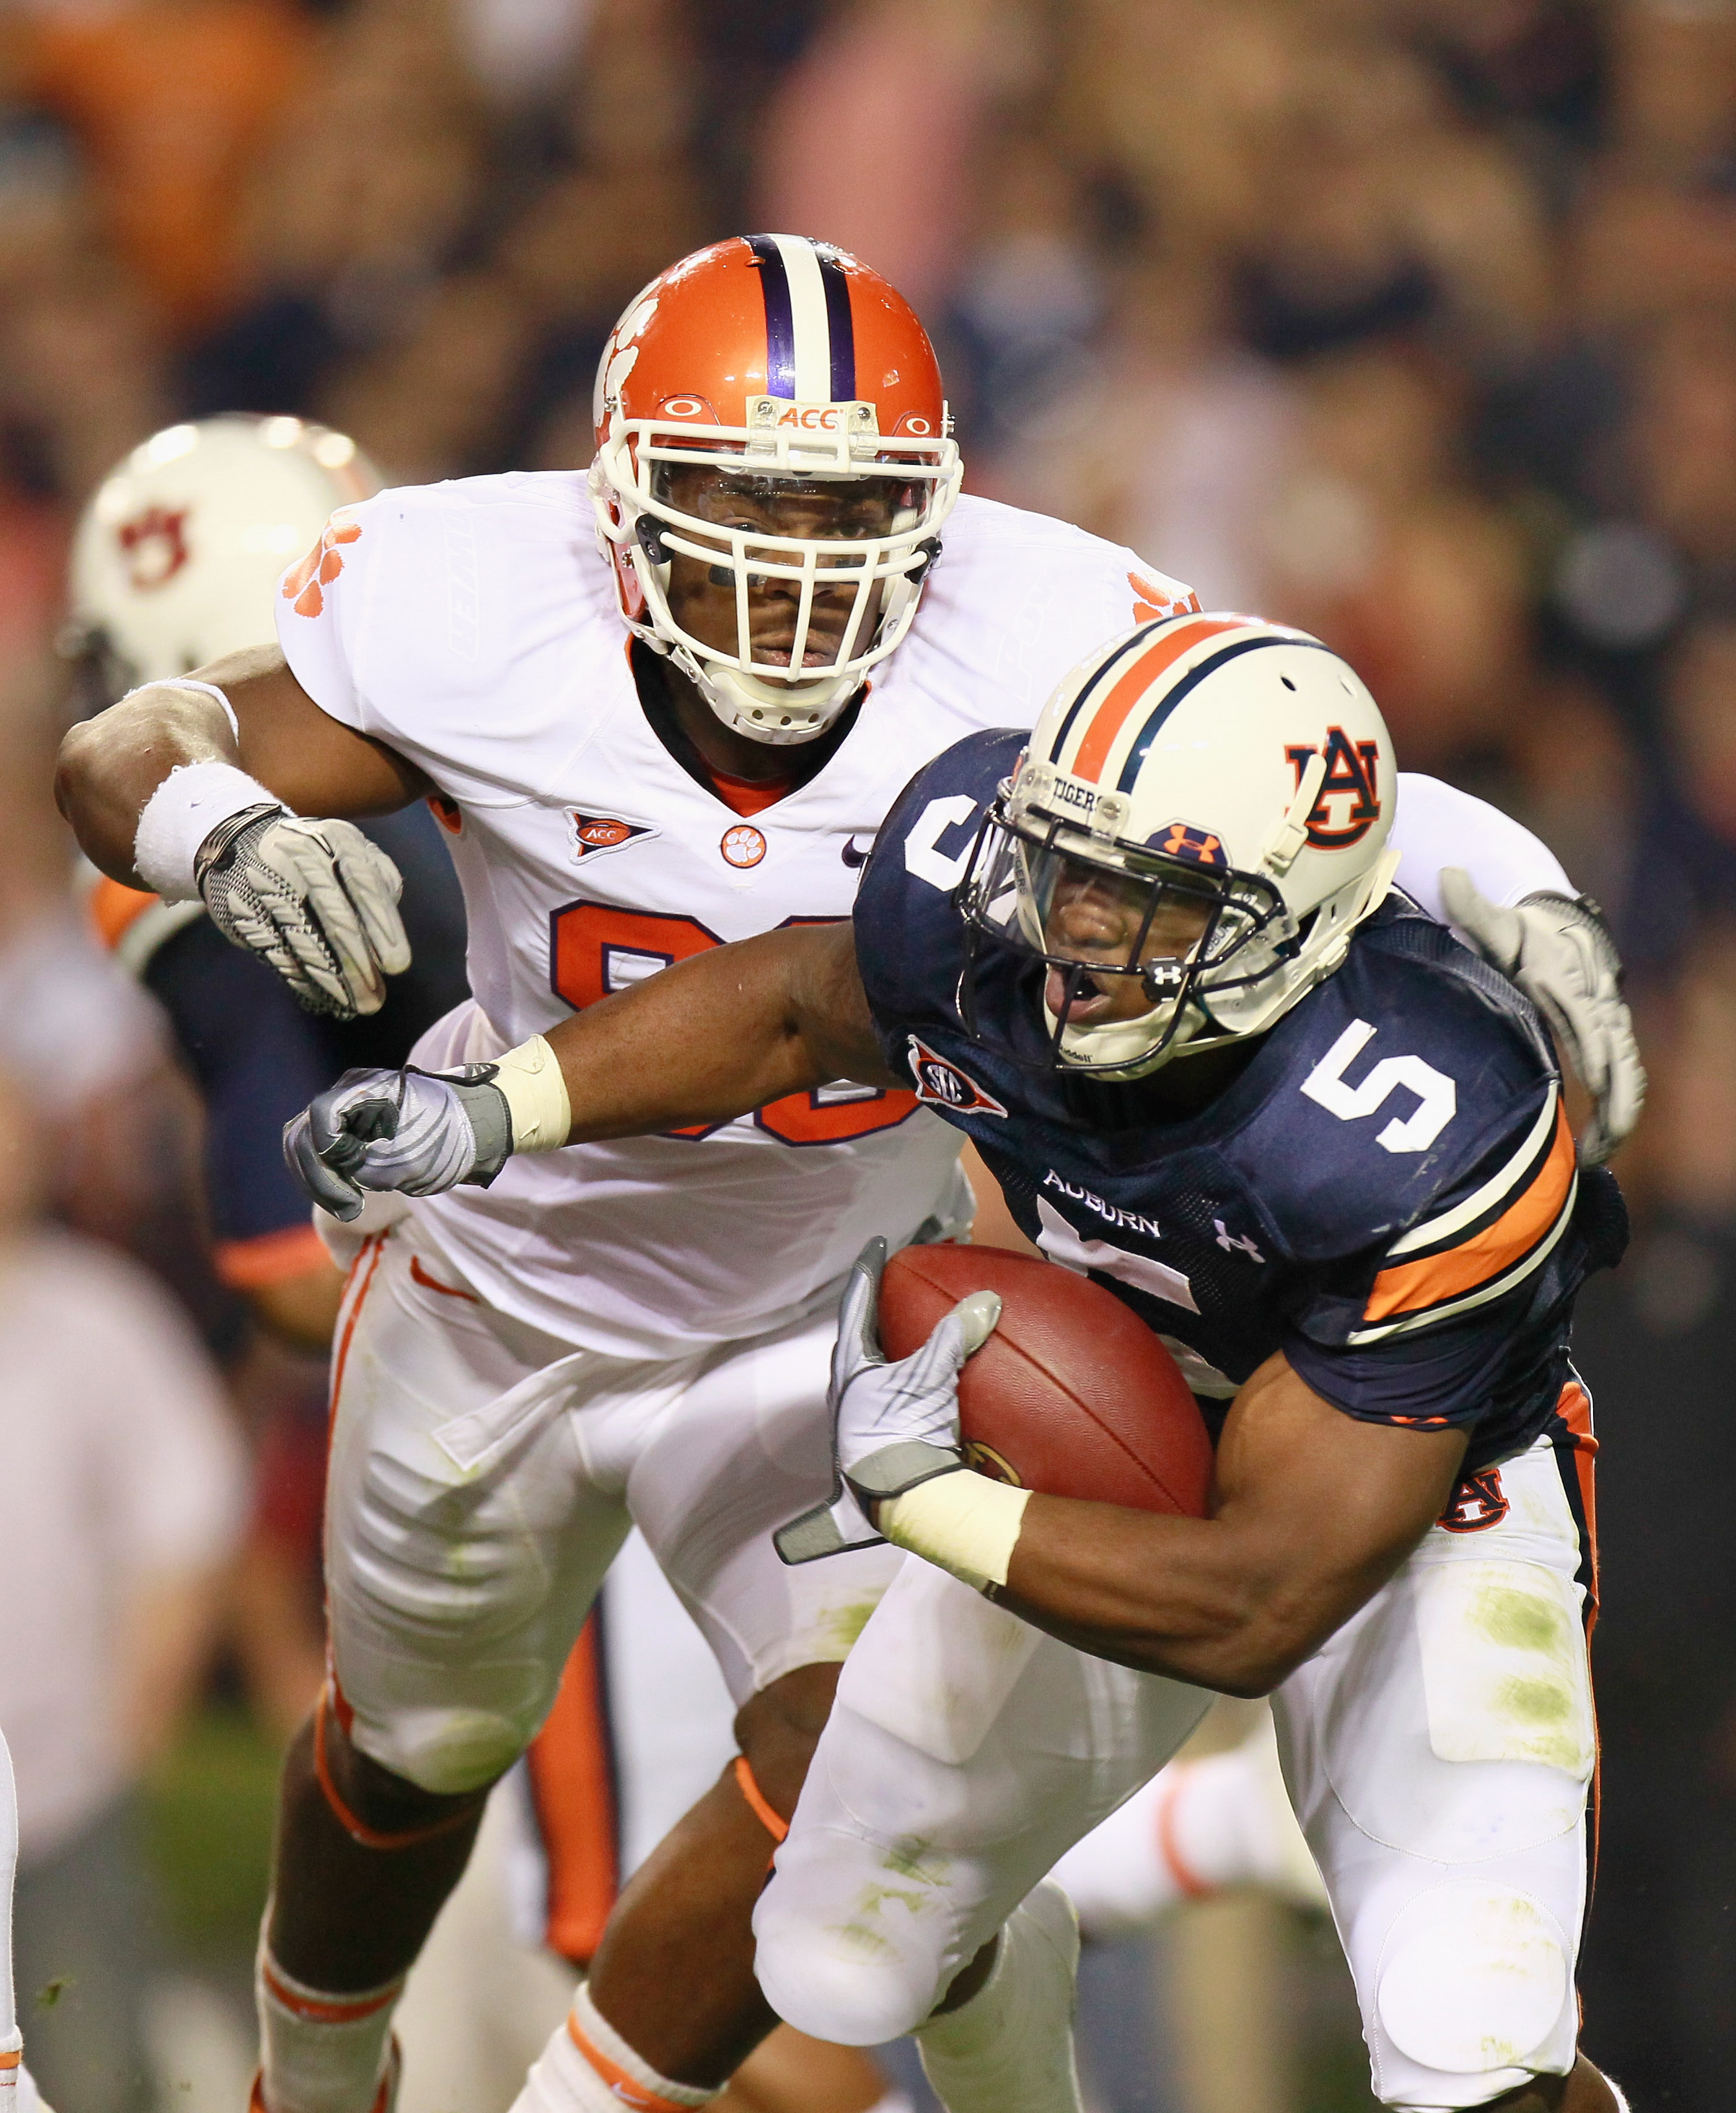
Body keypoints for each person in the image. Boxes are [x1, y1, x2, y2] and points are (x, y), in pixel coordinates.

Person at [55, 235, 1642, 2113]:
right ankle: (309, 2085)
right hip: (502, 1286)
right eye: (743, 492)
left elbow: (1284, 753)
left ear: (939, 507)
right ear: (619, 490)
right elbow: (140, 748)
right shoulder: (475, 593)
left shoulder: (1039, 641)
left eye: (852, 502)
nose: (799, 559)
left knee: (851, 1815)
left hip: (839, 1306)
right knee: (414, 1747)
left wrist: (1515, 892)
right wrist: (218, 826)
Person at [285, 611, 1632, 2112]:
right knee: (840, 1958)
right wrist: (497, 1109)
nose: (1078, 940)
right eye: (1067, 871)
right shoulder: (983, 902)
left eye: (1152, 905)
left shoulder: (1429, 1121)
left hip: (1407, 1508)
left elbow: (1262, 1600)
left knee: (1471, 2045)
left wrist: (933, 1505)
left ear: (1296, 924)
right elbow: (799, 1003)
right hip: (1123, 1431)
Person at [63, 412, 898, 2113]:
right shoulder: (359, 772)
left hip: (743, 1343)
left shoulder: (500, 708)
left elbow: (281, 1264)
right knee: (792, 1939)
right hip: (593, 1375)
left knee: (849, 1914)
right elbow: (287, 1255)